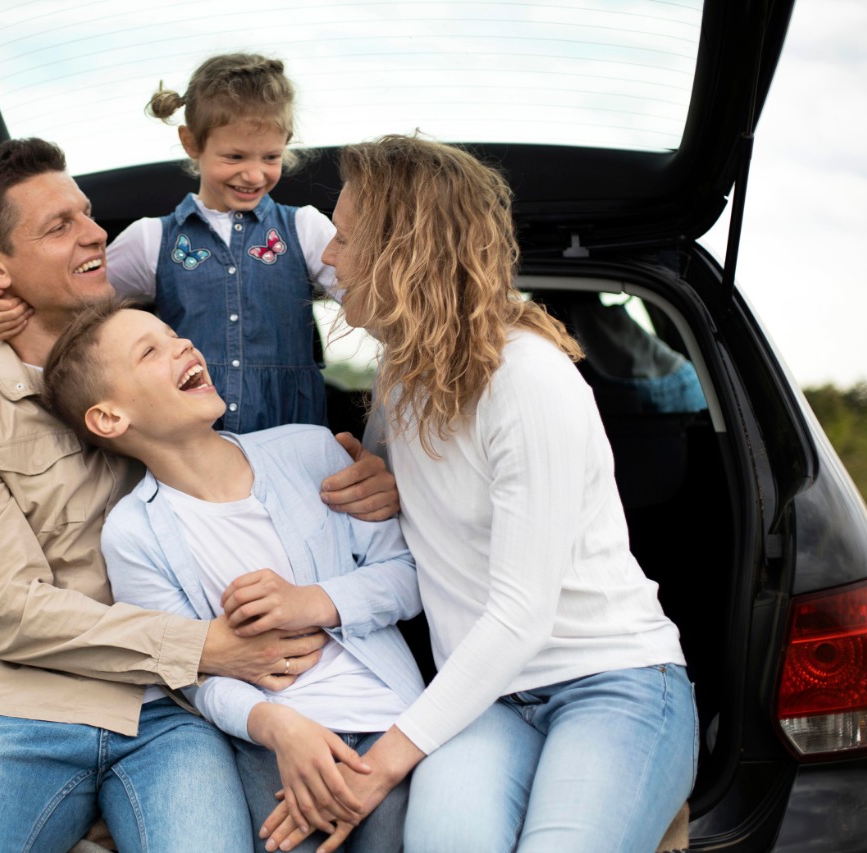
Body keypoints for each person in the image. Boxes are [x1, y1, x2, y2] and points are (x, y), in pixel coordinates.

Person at [0, 137, 398, 852]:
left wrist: (378, 473)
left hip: (178, 716)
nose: (95, 232)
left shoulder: (166, 351)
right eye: (59, 225)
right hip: (27, 710)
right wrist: (202, 645)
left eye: (87, 214)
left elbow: (264, 443)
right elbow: (4, 609)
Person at [260, 135, 698, 853]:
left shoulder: (528, 379)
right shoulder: (401, 376)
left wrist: (378, 768)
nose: (329, 256)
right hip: (485, 699)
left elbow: (521, 614)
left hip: (611, 683)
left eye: (345, 236)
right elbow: (409, 513)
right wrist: (382, 484)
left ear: (404, 250)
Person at [39, 297, 425, 852]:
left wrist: (312, 601)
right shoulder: (134, 533)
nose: (183, 345)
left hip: (389, 720)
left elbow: (407, 574)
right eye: (151, 350)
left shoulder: (311, 449)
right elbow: (191, 675)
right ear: (109, 417)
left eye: (175, 334)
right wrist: (279, 728)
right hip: (267, 741)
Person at [0, 53, 337, 434]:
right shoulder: (152, 239)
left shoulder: (305, 227)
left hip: (297, 434)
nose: (254, 173)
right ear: (190, 142)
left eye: (271, 157)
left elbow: (376, 304)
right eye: (234, 156)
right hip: (192, 445)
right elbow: (70, 306)